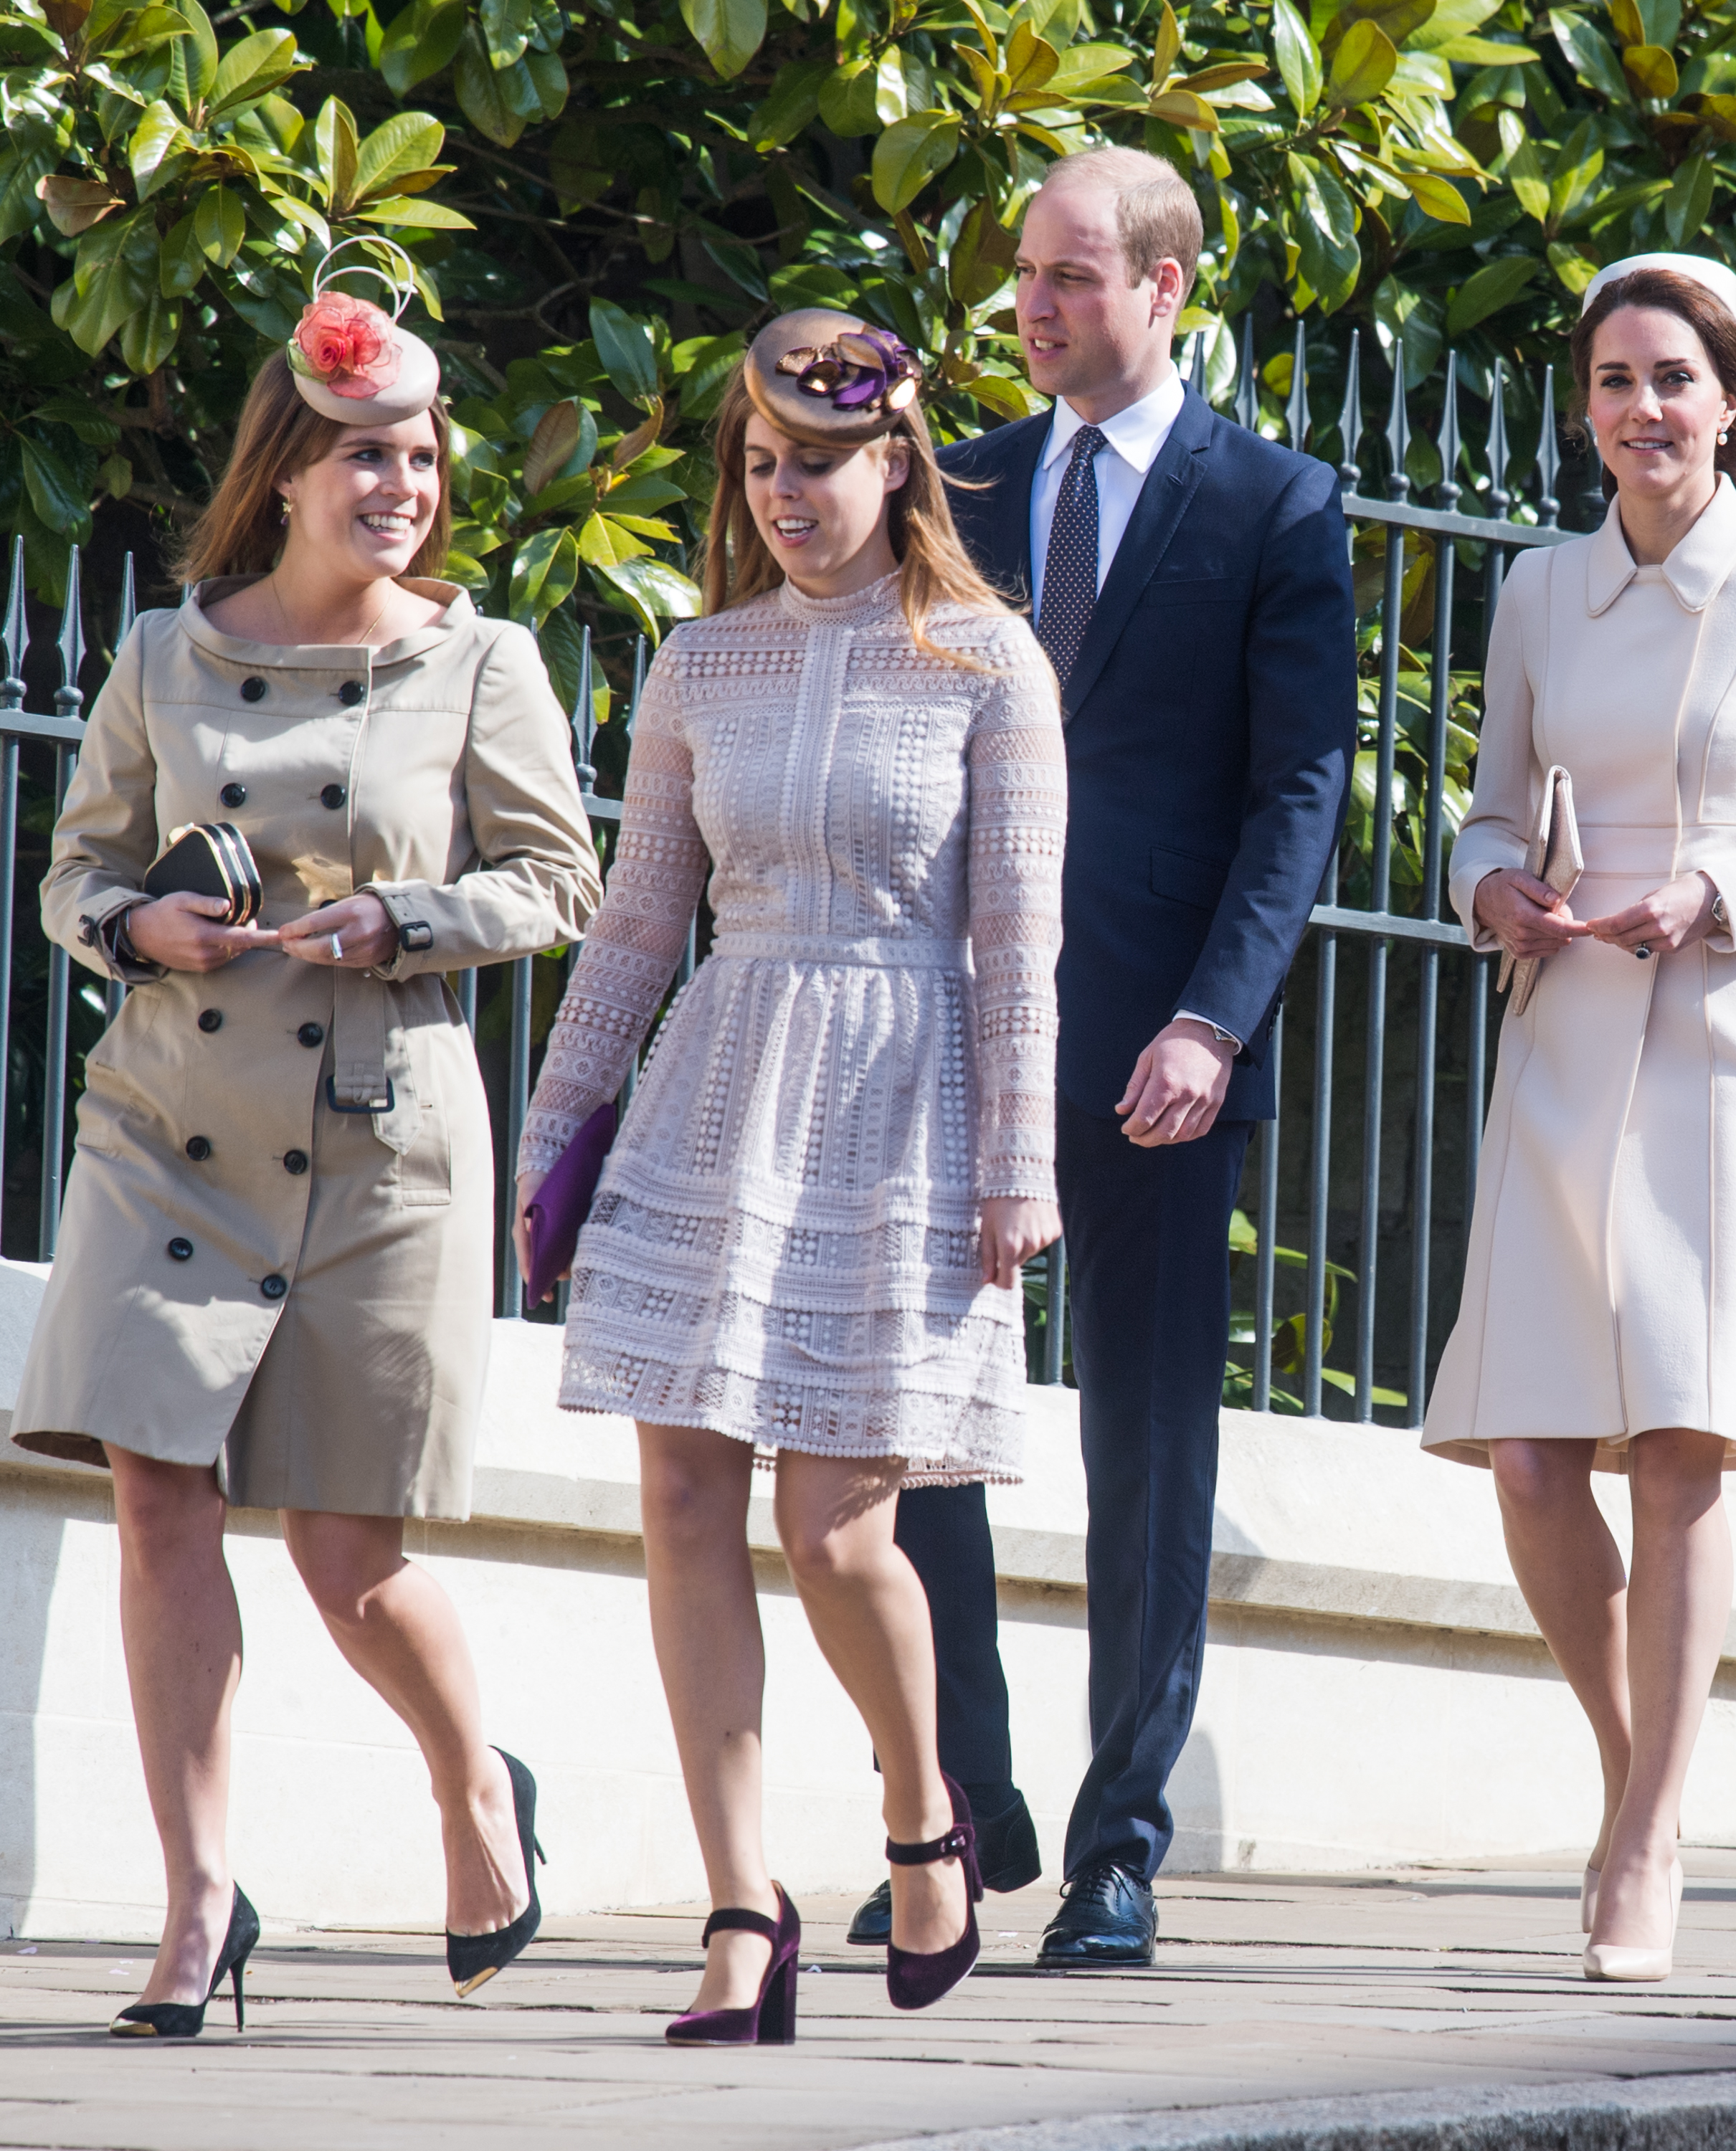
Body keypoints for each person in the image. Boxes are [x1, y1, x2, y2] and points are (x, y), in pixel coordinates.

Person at [11, 250, 604, 2036]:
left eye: (421, 458)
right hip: (168, 1130)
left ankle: (474, 1790)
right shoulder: (161, 654)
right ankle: (197, 1907)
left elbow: (555, 881)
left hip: (378, 1139)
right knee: (156, 1504)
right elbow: (71, 874)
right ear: (285, 465)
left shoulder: (480, 661)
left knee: (354, 1557)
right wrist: (136, 932)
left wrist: (404, 923)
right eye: (364, 453)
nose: (400, 488)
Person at [512, 310, 1066, 2042]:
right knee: (682, 1500)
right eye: (758, 467)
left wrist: (1018, 1159)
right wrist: (553, 1139)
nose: (782, 495)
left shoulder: (991, 662)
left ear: (896, 460)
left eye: (814, 463)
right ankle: (738, 1912)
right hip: (717, 1085)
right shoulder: (698, 663)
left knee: (836, 1535)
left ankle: (923, 1821)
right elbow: (631, 924)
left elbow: (1017, 944)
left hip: (905, 1099)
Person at [850, 146, 1356, 1970]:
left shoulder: (1277, 504)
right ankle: (963, 1816)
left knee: (1146, 1443)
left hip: (1160, 1045)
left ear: (1163, 287)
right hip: (941, 1041)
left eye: (1069, 276)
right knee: (921, 1436)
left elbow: (1299, 791)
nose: (1031, 307)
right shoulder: (955, 484)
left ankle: (1115, 1847)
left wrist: (1214, 1020)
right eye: (1022, 273)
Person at [1423, 254, 1736, 1982]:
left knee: (1679, 1450)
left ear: (1729, 402)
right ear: (1587, 406)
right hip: (1561, 1032)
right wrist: (1494, 892)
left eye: (1673, 379)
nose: (1642, 409)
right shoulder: (1538, 591)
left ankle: (1641, 1841)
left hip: (1720, 1046)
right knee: (1527, 1453)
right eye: (1614, 380)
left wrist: (1716, 892)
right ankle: (1636, 1774)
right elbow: (1483, 816)